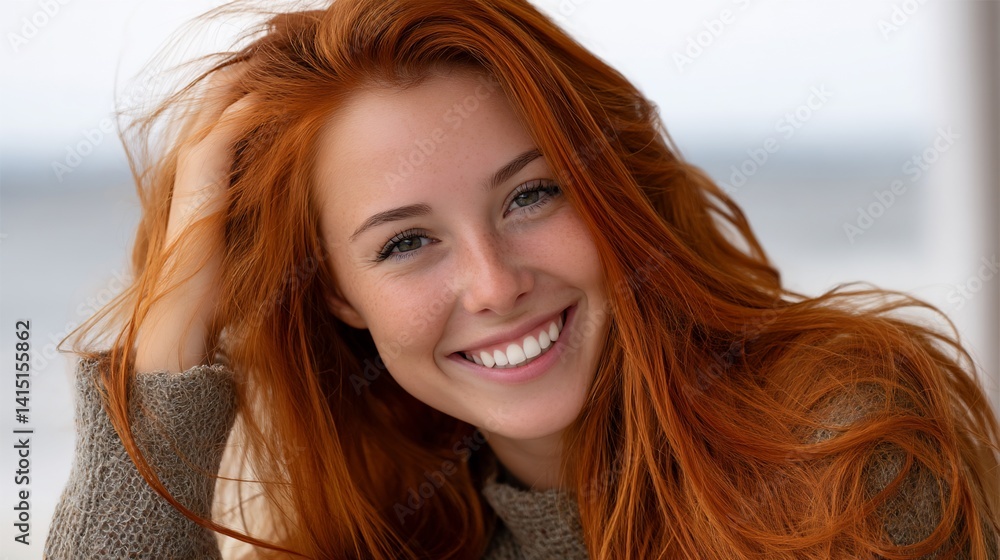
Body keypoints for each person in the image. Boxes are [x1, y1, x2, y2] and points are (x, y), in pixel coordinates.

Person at [44, 0, 1000, 558]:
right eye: (404, 244)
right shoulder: (403, 522)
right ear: (338, 296)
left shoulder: (833, 438)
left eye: (531, 195)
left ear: (605, 182)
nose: (496, 285)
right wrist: (169, 347)